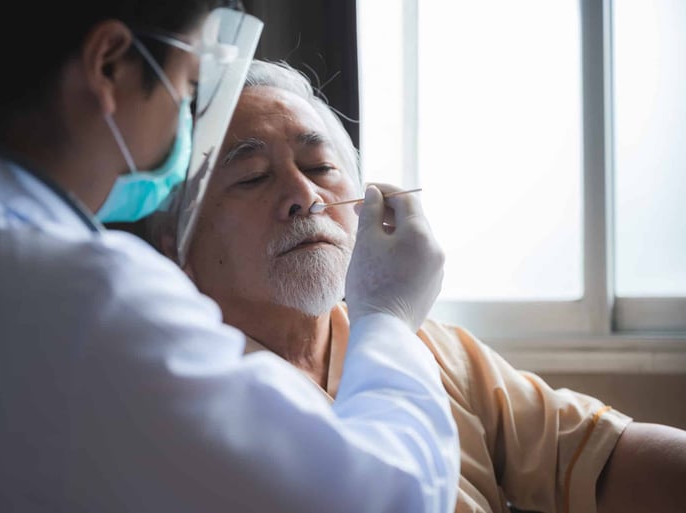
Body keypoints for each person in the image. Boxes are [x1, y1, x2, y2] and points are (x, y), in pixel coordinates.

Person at [0, 4, 460, 512]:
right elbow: (387, 498)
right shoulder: (89, 301)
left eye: (319, 167)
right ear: (109, 65)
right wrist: (387, 318)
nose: (305, 196)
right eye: (189, 85)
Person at [150, 59, 686, 513]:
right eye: (252, 177)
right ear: (178, 236)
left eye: (319, 166)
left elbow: (604, 457)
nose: (305, 196)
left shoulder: (430, 347)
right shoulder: (191, 395)